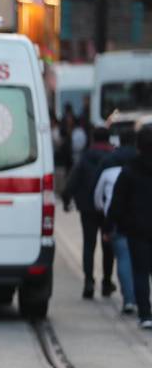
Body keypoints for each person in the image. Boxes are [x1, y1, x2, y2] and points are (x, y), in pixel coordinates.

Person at [105, 124, 152, 330]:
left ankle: (145, 313)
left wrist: (109, 226)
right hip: (139, 228)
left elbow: (117, 201)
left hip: (137, 230)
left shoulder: (130, 170)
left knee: (140, 271)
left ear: (138, 146)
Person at [62, 126, 115, 299]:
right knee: (108, 245)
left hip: (87, 207)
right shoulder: (113, 157)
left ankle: (89, 282)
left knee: (89, 245)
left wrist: (66, 198)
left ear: (92, 139)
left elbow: (73, 180)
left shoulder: (85, 158)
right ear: (108, 139)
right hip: (108, 208)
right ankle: (107, 282)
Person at [95, 129, 140, 315]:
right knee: (142, 263)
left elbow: (103, 199)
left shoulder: (110, 165)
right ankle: (142, 300)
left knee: (123, 258)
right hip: (143, 221)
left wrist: (107, 224)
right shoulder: (141, 163)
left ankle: (129, 299)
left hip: (121, 221)